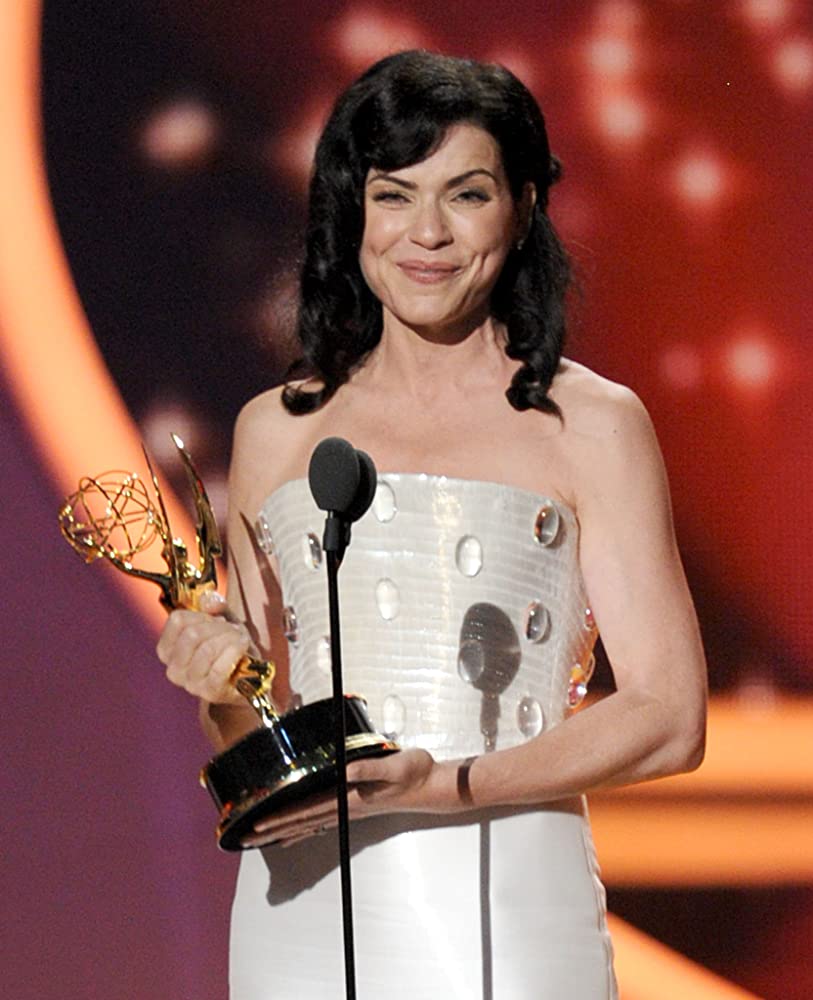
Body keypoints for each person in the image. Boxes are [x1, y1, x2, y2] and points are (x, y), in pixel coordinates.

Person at [157, 50, 707, 1000]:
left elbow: (668, 717)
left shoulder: (589, 423)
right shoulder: (278, 429)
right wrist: (217, 677)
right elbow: (253, 717)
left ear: (523, 208)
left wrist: (443, 788)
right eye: (394, 195)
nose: (427, 233)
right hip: (304, 911)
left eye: (466, 194)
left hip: (504, 906)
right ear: (353, 212)